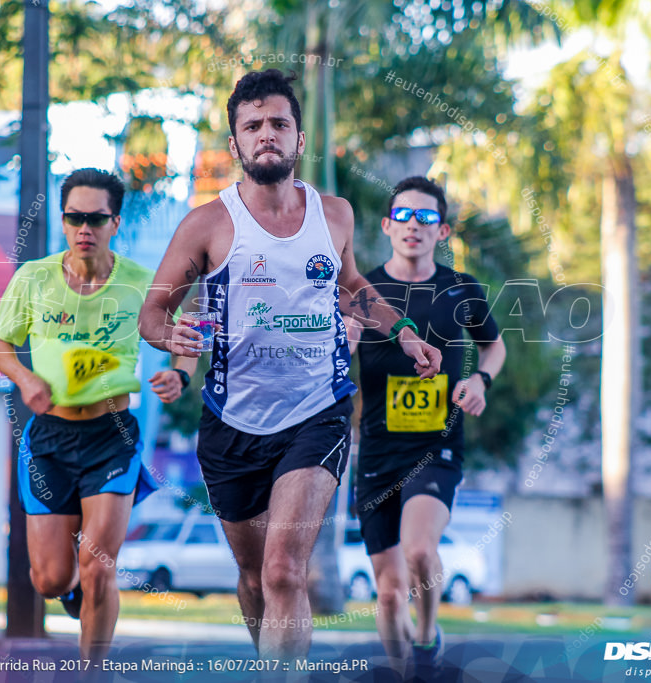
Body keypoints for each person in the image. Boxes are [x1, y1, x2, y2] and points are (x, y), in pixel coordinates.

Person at [138, 69, 442, 661]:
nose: (267, 134)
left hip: (315, 413)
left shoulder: (334, 216)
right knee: (254, 581)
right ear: (235, 144)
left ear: (299, 138)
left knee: (283, 573)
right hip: (231, 424)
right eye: (252, 126)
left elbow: (351, 285)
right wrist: (168, 333)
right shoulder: (208, 224)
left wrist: (403, 332)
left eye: (279, 123)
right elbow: (153, 311)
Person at [0, 168, 196, 663]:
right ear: (63, 221)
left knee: (100, 565)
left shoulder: (140, 284)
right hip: (49, 439)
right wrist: (27, 378)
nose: (84, 227)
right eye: (74, 217)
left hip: (113, 435)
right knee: (51, 577)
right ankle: (75, 594)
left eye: (95, 218)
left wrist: (180, 375)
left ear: (115, 222)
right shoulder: (33, 279)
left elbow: (185, 336)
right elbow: (1, 345)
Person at [345, 176, 506, 677]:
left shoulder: (460, 289)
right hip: (374, 454)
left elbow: (494, 346)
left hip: (435, 447)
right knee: (389, 594)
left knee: (419, 550)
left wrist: (480, 379)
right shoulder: (362, 292)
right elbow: (336, 357)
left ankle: (429, 633)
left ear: (443, 232)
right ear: (387, 226)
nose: (415, 226)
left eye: (427, 217)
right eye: (405, 216)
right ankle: (404, 672)